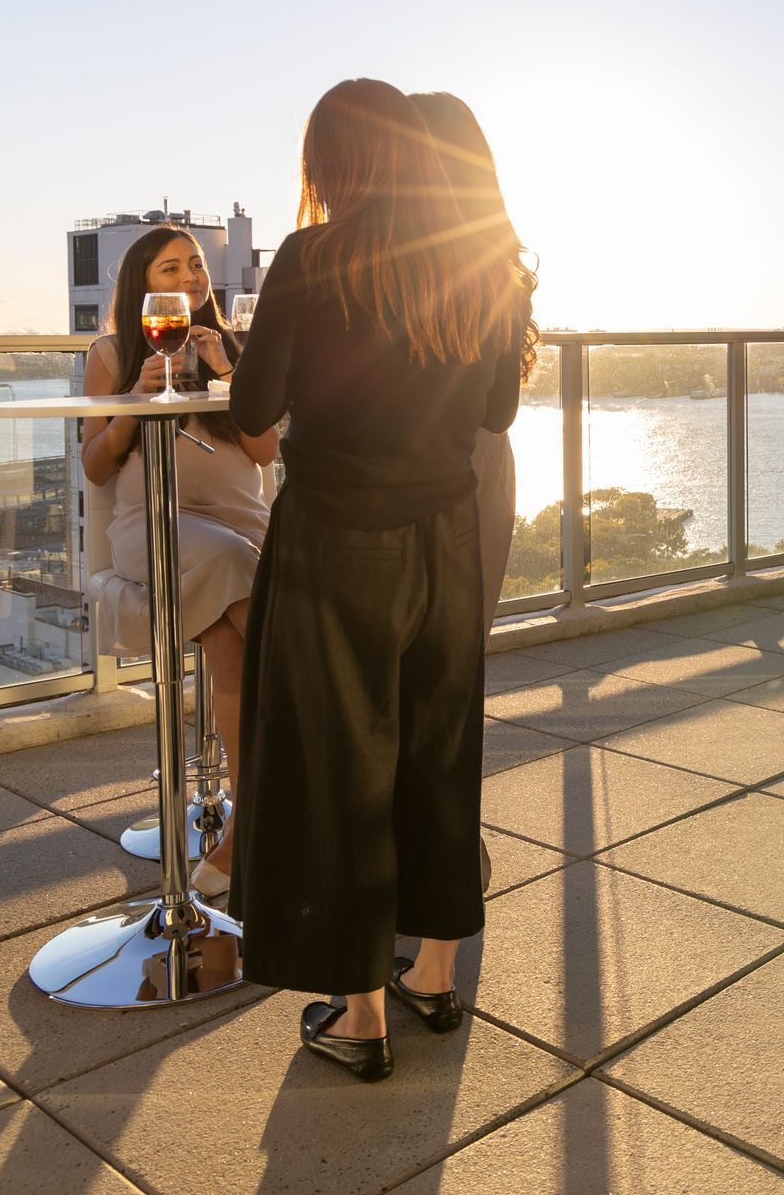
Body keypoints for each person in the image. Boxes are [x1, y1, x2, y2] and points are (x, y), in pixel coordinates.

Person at [229, 78, 528, 1082]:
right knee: (437, 752)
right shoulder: (485, 268)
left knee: (335, 771)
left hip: (335, 542)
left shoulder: (311, 260)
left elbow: (252, 410)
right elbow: (496, 412)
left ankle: (359, 1012)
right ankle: (435, 972)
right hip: (446, 534)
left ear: (331, 162)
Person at [80, 226, 278, 895]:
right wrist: (136, 400)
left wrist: (229, 371)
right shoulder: (110, 354)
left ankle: (246, 829)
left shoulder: (234, 349)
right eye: (172, 268)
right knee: (244, 586)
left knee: (227, 641)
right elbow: (96, 464)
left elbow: (264, 450)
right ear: (143, 286)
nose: (191, 276)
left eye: (196, 264)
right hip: (154, 525)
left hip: (240, 525)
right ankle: (291, 783)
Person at [410, 91, 541, 894]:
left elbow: (494, 409)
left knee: (444, 673)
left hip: (464, 470)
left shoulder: (476, 272)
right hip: (461, 464)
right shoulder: (488, 269)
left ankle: (449, 858)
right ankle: (437, 860)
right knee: (428, 676)